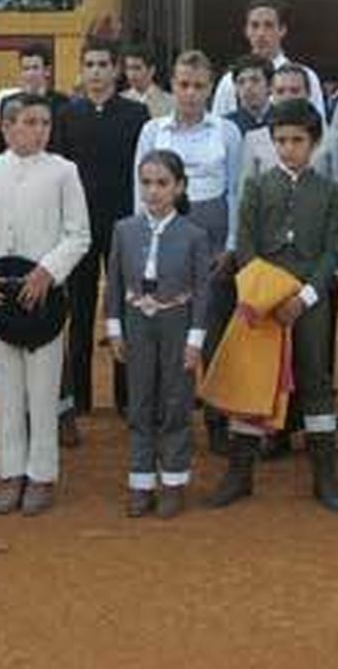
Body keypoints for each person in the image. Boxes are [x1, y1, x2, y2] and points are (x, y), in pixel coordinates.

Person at [206, 99, 338, 511]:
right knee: (253, 378)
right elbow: (245, 247)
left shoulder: (332, 193)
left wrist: (303, 297)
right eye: (280, 140)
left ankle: (325, 476)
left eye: (297, 140)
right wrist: (262, 294)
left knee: (315, 378)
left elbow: (331, 254)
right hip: (260, 302)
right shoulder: (256, 186)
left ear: (315, 143)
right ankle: (239, 473)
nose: (288, 148)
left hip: (308, 302)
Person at [0, 94, 91, 517]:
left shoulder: (63, 172)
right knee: (6, 387)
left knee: (42, 387)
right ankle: (10, 471)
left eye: (44, 122)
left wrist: (47, 272)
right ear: (5, 126)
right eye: (29, 122)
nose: (39, 130)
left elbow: (78, 235)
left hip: (44, 296)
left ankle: (41, 474)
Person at [134, 50, 246, 451]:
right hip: (167, 243)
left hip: (215, 246)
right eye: (183, 84)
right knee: (169, 335)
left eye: (199, 86)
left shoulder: (228, 132)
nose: (191, 93)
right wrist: (144, 248)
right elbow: (140, 194)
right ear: (172, 84)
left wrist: (231, 245)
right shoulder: (153, 131)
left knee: (214, 336)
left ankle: (218, 423)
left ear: (211, 88)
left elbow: (236, 191)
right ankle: (169, 422)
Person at [51, 39, 151, 436]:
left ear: (116, 70)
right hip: (78, 228)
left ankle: (126, 398)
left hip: (123, 224)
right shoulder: (67, 114)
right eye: (89, 64)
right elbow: (59, 170)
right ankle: (80, 397)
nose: (95, 72)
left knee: (126, 309)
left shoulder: (136, 114)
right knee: (79, 309)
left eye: (102, 64)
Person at [106, 150, 211, 518]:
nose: (153, 192)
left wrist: (195, 340)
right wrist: (114, 328)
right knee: (140, 402)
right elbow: (114, 284)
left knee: (176, 400)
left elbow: (203, 291)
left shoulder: (195, 235)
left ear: (179, 187)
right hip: (137, 324)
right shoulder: (124, 229)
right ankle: (141, 482)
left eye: (162, 183)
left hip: (177, 324)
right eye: (146, 183)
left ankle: (173, 482)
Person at [210, 0, 326, 120]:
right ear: (246, 31)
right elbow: (218, 130)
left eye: (268, 25)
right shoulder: (229, 81)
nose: (261, 33)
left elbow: (320, 129)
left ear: (282, 30)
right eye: (255, 26)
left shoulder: (306, 76)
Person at [121, 44, 172, 118]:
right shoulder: (121, 99)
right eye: (129, 68)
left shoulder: (169, 102)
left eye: (137, 68)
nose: (132, 74)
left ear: (151, 70)